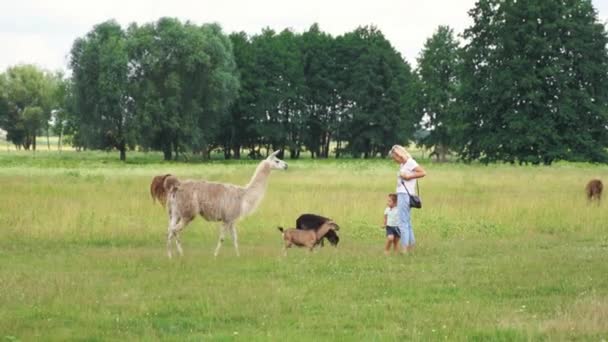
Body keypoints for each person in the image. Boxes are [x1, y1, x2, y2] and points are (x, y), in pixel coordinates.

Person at [389, 145, 426, 252]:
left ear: (398, 155)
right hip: (403, 193)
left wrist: (408, 176)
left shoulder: (410, 162)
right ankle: (410, 245)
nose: (393, 160)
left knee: (402, 222)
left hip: (405, 194)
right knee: (407, 222)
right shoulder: (403, 164)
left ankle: (404, 249)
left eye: (394, 157)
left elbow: (423, 172)